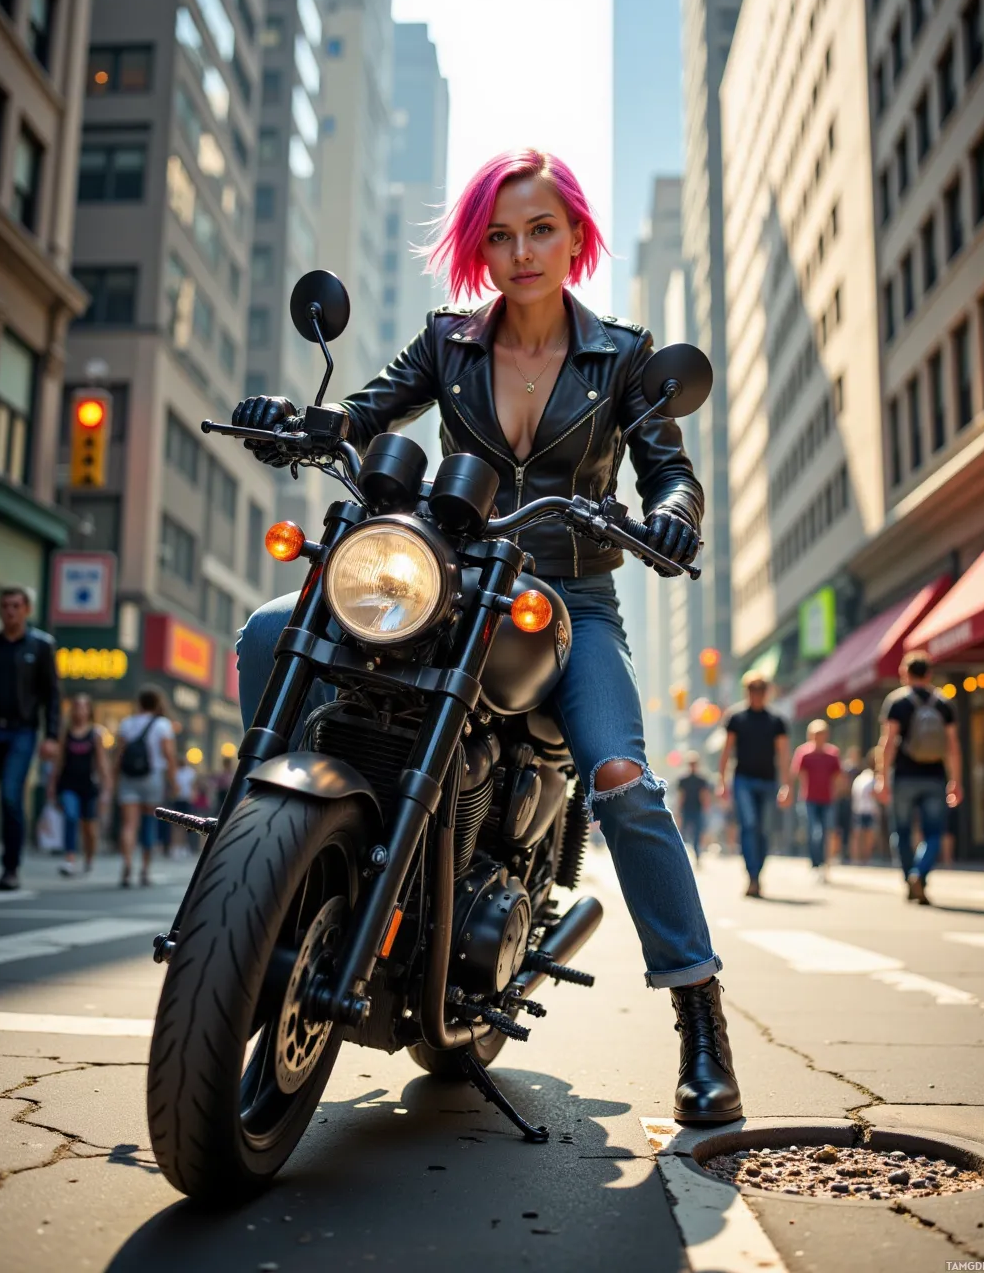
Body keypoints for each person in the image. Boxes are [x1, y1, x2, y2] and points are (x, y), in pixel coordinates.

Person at [231, 148, 742, 1125]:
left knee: (624, 782)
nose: (520, 251)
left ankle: (698, 1010)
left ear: (576, 235)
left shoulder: (622, 358)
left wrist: (675, 511)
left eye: (540, 229)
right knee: (268, 634)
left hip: (570, 599)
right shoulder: (448, 341)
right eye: (500, 234)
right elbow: (367, 408)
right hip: (453, 580)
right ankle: (266, 873)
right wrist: (301, 421)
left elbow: (665, 467)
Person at [875, 651, 961, 904]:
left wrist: (882, 776)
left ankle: (910, 877)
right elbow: (953, 746)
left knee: (901, 832)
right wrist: (955, 780)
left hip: (904, 777)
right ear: (929, 674)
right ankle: (920, 874)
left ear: (905, 674)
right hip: (935, 777)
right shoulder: (945, 703)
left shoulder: (897, 702)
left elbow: (888, 742)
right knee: (934, 832)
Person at [0, 585, 60, 891]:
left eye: (15, 606)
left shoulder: (41, 645)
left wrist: (51, 735)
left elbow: (52, 695)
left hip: (22, 730)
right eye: (5, 606)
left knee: (11, 795)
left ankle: (10, 868)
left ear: (26, 610)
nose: (9, 611)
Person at [716, 673, 790, 898]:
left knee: (764, 830)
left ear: (766, 693)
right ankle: (752, 876)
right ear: (747, 692)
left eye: (760, 690)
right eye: (752, 690)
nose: (756, 695)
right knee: (749, 826)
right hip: (743, 781)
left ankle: (758, 874)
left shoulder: (776, 720)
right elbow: (727, 750)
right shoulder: (736, 718)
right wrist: (722, 781)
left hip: (769, 781)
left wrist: (786, 785)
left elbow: (784, 754)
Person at [113, 687, 177, 887]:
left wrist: (113, 778)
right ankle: (145, 870)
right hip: (153, 777)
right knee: (149, 822)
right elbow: (168, 754)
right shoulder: (163, 725)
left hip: (128, 777)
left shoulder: (127, 723)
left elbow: (119, 754)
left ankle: (127, 863)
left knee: (129, 824)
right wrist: (173, 781)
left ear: (139, 702)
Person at [49, 694, 110, 876]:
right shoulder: (65, 733)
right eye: (76, 706)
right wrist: (52, 785)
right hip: (69, 784)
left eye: (84, 706)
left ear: (89, 710)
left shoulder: (95, 734)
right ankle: (69, 858)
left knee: (89, 827)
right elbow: (58, 761)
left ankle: (89, 857)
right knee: (70, 816)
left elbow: (101, 763)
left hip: (89, 786)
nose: (80, 710)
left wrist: (106, 788)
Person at [790, 720, 845, 881]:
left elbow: (837, 777)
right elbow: (798, 774)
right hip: (809, 799)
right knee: (815, 832)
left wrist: (838, 792)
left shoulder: (832, 753)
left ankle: (825, 863)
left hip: (828, 799)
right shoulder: (804, 753)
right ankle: (816, 864)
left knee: (828, 831)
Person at [674, 752, 711, 866]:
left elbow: (704, 795)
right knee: (683, 833)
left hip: (697, 809)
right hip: (686, 809)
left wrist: (706, 808)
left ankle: (697, 855)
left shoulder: (701, 780)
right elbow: (681, 796)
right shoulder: (683, 780)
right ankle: (682, 856)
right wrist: (678, 810)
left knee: (697, 834)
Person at [850, 748, 880, 864]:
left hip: (864, 809)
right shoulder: (868, 778)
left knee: (865, 835)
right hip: (865, 809)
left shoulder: (864, 777)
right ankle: (858, 859)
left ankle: (862, 859)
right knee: (861, 835)